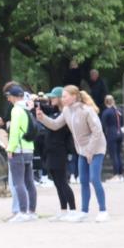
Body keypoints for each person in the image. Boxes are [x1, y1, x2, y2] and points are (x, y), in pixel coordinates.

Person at [36, 85, 108, 222]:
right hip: (82, 150)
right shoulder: (67, 111)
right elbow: (55, 125)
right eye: (62, 96)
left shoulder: (87, 110)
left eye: (64, 96)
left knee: (94, 178)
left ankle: (103, 210)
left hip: (96, 148)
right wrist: (42, 118)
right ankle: (84, 211)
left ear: (74, 96)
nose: (62, 99)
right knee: (83, 181)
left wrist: (90, 151)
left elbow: (97, 131)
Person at [39, 89, 76, 220]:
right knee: (57, 183)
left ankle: (72, 210)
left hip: (60, 151)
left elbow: (55, 126)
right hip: (51, 151)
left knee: (63, 182)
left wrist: (43, 117)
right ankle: (63, 210)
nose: (51, 99)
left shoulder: (65, 113)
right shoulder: (55, 112)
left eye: (54, 97)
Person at [4, 86, 37, 223]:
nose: (8, 98)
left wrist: (10, 148)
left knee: (18, 182)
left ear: (15, 96)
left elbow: (14, 131)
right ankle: (32, 211)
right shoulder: (27, 109)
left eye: (9, 96)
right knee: (30, 182)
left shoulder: (16, 110)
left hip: (18, 149)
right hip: (29, 147)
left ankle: (22, 212)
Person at [101, 95, 124, 182]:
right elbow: (122, 123)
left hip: (111, 134)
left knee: (114, 155)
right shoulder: (119, 111)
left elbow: (103, 125)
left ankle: (116, 175)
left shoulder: (106, 112)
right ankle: (121, 175)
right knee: (118, 155)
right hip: (119, 133)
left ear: (105, 102)